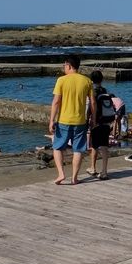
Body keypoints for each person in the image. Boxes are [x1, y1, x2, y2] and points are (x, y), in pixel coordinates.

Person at [49, 54, 96, 185]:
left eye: (64, 65)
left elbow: (56, 102)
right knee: (78, 150)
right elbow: (93, 103)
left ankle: (61, 174)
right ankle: (74, 177)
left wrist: (51, 120)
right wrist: (93, 118)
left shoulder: (61, 80)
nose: (64, 67)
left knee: (57, 147)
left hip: (64, 120)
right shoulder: (87, 81)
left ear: (69, 66)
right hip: (80, 121)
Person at [86, 70, 114, 181]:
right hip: (107, 122)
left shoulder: (92, 91)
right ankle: (104, 171)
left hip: (96, 122)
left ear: (91, 80)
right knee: (104, 146)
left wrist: (88, 119)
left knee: (94, 145)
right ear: (102, 79)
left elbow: (91, 106)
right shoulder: (104, 90)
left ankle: (93, 168)